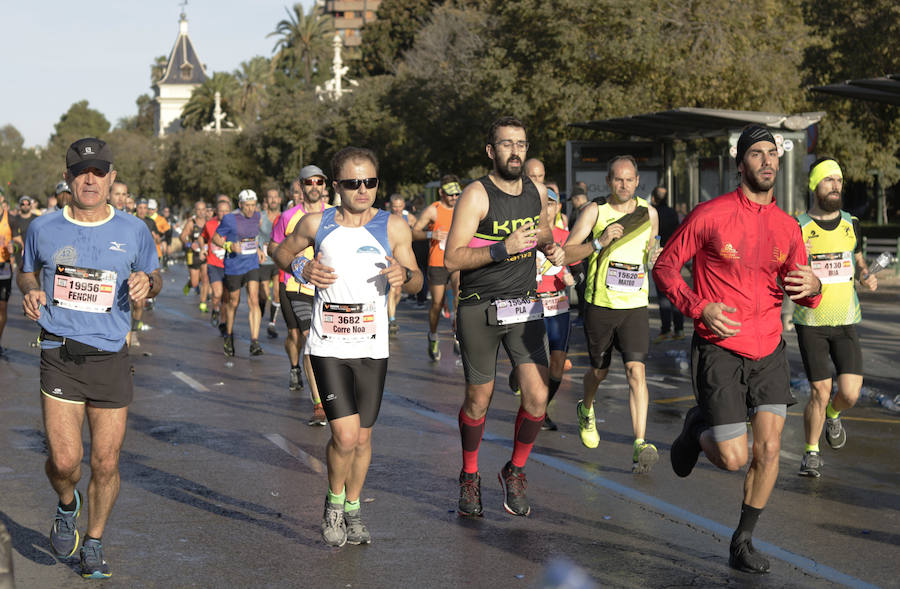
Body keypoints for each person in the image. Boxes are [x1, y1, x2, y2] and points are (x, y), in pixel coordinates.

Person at [653, 125, 822, 574]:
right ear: (740, 163)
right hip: (720, 347)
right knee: (734, 457)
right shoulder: (711, 215)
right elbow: (666, 266)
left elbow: (806, 292)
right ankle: (695, 429)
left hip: (768, 348)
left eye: (773, 153)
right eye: (757, 154)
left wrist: (815, 286)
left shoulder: (788, 227)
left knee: (768, 449)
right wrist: (698, 306)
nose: (767, 161)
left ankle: (742, 541)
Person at [17, 137, 161, 578]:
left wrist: (145, 284)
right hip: (60, 352)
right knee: (65, 462)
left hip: (111, 355)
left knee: (105, 461)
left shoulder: (134, 230)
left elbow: (155, 276)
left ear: (112, 177)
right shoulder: (42, 228)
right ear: (68, 178)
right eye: (82, 172)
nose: (91, 179)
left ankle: (94, 541)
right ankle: (66, 504)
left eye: (99, 171)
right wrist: (31, 290)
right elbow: (26, 272)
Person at [273, 146, 422, 547]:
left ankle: (354, 507)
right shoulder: (315, 223)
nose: (363, 190)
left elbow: (418, 280)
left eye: (370, 182)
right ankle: (334, 502)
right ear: (336, 185)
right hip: (328, 345)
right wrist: (301, 266)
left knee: (364, 438)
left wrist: (403, 274)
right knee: (345, 435)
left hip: (373, 347)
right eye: (353, 183)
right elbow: (279, 250)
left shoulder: (393, 227)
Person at [444, 116, 564, 518]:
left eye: (522, 144)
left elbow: (543, 231)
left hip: (524, 304)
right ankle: (470, 474)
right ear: (491, 151)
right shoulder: (476, 195)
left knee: (538, 396)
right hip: (479, 305)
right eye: (507, 144)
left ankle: (514, 470)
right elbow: (452, 257)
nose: (516, 151)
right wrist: (502, 248)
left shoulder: (535, 191)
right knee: (479, 400)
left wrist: (551, 250)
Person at [562, 155, 661, 474]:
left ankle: (639, 443)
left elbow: (650, 256)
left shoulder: (649, 213)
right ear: (608, 181)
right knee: (599, 372)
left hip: (634, 305)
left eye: (630, 179)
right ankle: (586, 408)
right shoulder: (595, 211)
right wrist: (599, 241)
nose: (624, 184)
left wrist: (654, 259)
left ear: (637, 182)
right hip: (601, 304)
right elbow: (567, 251)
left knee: (636, 371)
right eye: (618, 179)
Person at [794, 157, 877, 478]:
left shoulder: (850, 222)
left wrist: (867, 276)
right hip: (811, 322)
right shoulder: (799, 226)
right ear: (815, 185)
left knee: (850, 394)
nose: (835, 185)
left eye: (838, 180)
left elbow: (857, 261)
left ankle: (833, 414)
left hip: (845, 321)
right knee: (819, 389)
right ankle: (811, 452)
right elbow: (787, 268)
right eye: (828, 180)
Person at [268, 166, 331, 425]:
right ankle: (319, 404)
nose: (314, 186)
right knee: (308, 337)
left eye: (319, 181)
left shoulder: (336, 215)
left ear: (325, 186)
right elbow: (274, 246)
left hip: (330, 289)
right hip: (298, 288)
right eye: (309, 182)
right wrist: (296, 266)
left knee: (325, 341)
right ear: (302, 186)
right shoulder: (289, 216)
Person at [412, 175, 462, 358]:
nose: (454, 198)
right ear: (441, 193)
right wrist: (431, 234)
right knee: (437, 303)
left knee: (460, 295)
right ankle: (433, 335)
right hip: (437, 262)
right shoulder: (433, 211)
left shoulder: (462, 208)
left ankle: (458, 333)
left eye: (457, 194)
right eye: (450, 195)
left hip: (457, 260)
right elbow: (414, 232)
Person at [213, 189, 265, 357]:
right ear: (240, 204)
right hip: (234, 265)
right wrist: (228, 246)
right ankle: (229, 335)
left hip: (251, 263)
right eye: (247, 206)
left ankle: (254, 341)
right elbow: (216, 238)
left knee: (254, 298)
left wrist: (257, 250)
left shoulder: (258, 217)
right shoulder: (230, 218)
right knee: (233, 302)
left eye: (253, 205)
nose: (250, 209)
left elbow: (253, 238)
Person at [650, 186, 685, 342]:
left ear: (653, 198)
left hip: (659, 257)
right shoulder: (673, 213)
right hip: (674, 257)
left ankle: (665, 330)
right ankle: (679, 329)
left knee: (663, 295)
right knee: (675, 293)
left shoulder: (652, 213)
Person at [130, 198, 162, 345]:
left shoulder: (150, 222)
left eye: (144, 207)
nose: (142, 210)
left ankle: (134, 330)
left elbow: (158, 237)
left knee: (138, 302)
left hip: (145, 262)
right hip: (130, 260)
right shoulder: (130, 220)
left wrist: (156, 239)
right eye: (140, 207)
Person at [387, 194, 416, 334]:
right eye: (395, 206)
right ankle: (391, 319)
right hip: (389, 257)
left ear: (403, 205)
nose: (397, 209)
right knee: (393, 289)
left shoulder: (409, 218)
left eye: (400, 206)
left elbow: (418, 232)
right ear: (390, 206)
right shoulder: (386, 219)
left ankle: (389, 313)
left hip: (403, 257)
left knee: (398, 291)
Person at [201, 199, 231, 334]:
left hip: (230, 265)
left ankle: (223, 323)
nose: (223, 213)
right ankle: (215, 309)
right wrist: (203, 248)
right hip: (213, 264)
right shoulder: (209, 224)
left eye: (226, 211)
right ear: (216, 212)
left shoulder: (234, 225)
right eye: (221, 211)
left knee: (226, 297)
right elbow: (201, 237)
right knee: (217, 293)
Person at [258, 188, 283, 339]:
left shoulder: (284, 217)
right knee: (264, 295)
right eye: (270, 197)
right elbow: (251, 234)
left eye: (275, 197)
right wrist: (257, 249)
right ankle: (260, 310)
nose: (273, 200)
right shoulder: (260, 217)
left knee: (277, 295)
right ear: (266, 200)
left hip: (278, 261)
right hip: (264, 261)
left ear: (280, 200)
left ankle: (271, 324)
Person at [180, 200, 210, 312]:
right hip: (193, 255)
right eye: (199, 209)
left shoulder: (209, 222)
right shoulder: (191, 223)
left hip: (206, 254)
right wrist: (189, 244)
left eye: (203, 209)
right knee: (195, 282)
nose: (201, 212)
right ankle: (190, 284)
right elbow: (182, 236)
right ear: (195, 210)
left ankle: (203, 303)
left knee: (206, 278)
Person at [0, 200, 12, 355]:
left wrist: (14, 247)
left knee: (2, 307)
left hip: (4, 267)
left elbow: (19, 242)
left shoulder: (11, 219)